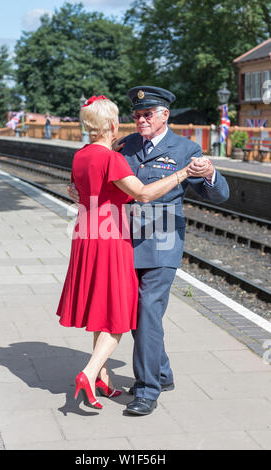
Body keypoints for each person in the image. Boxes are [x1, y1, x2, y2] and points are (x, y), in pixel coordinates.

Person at [68, 86, 229, 415]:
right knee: (138, 317)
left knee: (146, 311)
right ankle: (163, 373)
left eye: (147, 114)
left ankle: (146, 389)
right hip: (122, 242)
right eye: (137, 115)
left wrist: (211, 173)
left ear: (165, 115)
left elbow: (220, 195)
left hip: (161, 243)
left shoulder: (185, 149)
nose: (140, 119)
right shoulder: (123, 146)